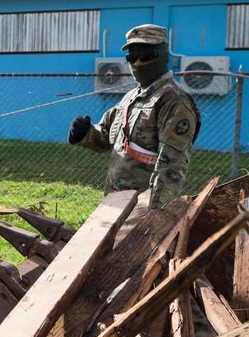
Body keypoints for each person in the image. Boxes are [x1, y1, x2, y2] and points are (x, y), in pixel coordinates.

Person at [68, 24, 200, 210]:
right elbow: (107, 136)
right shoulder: (131, 97)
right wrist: (85, 133)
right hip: (116, 202)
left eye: (146, 56)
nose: (138, 63)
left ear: (162, 56)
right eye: (132, 58)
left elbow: (171, 167)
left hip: (143, 209)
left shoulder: (173, 100)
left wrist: (154, 216)